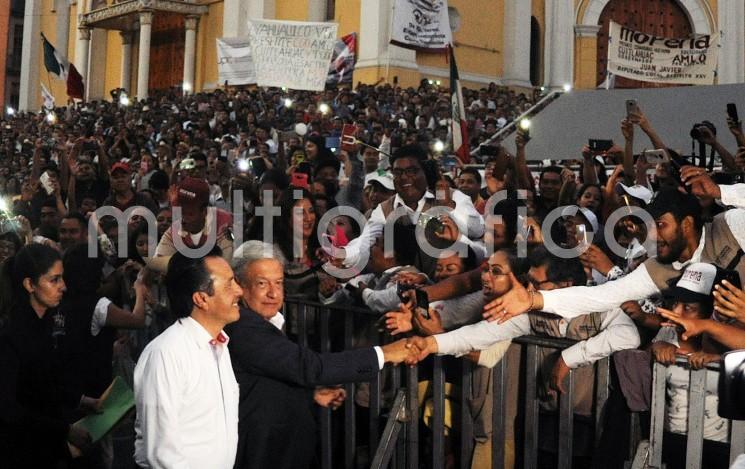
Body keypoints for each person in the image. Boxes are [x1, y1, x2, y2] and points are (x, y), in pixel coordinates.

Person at [226, 241, 418, 469]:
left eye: (279, 283)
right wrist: (384, 353)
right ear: (239, 286)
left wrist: (309, 395)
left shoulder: (259, 321)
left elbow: (266, 382)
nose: (274, 293)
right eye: (261, 284)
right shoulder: (243, 327)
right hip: (264, 452)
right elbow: (312, 367)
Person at [484, 182, 745, 325]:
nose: (652, 236)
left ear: (686, 224)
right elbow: (601, 296)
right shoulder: (658, 268)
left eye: (661, 226)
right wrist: (536, 300)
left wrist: (723, 192)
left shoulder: (730, 226)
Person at [133, 248, 243, 468]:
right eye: (229, 284)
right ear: (201, 298)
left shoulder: (219, 346)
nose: (239, 291)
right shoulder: (166, 354)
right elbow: (163, 455)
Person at [0, 244, 94, 468]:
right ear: (29, 284)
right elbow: (8, 408)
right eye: (54, 280)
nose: (64, 286)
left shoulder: (46, 322)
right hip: (24, 451)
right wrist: (65, 431)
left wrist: (81, 401)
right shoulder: (11, 335)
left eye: (62, 278)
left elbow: (44, 382)